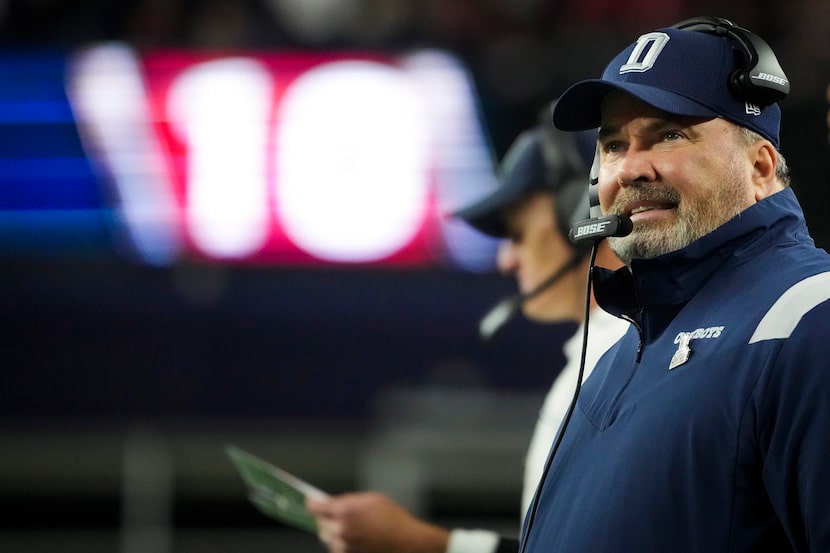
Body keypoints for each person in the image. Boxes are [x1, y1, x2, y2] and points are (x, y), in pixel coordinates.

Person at [519, 16, 830, 553]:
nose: (631, 169)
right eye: (614, 145)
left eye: (668, 134)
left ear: (760, 167)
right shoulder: (624, 349)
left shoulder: (809, 321)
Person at [306, 114, 628, 553]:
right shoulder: (606, 356)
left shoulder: (621, 363)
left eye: (517, 235)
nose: (506, 261)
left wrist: (420, 544)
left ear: (586, 221)